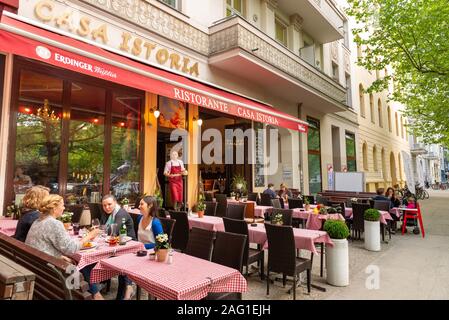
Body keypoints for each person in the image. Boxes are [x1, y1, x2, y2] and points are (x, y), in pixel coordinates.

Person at [25, 194, 101, 299]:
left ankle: (96, 293)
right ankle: (95, 294)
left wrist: (58, 256)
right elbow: (71, 249)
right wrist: (89, 236)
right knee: (80, 265)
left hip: (37, 268)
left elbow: (41, 245)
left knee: (76, 263)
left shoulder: (37, 221)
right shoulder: (54, 223)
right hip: (51, 274)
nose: (64, 208)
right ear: (54, 208)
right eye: (62, 205)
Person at [100, 194, 136, 300]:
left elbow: (113, 231)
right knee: (97, 259)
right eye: (104, 205)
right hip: (114, 245)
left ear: (115, 203)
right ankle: (99, 283)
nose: (107, 207)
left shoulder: (121, 213)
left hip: (128, 247)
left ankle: (124, 292)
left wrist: (101, 231)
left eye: (109, 204)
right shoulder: (108, 213)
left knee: (121, 265)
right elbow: (103, 228)